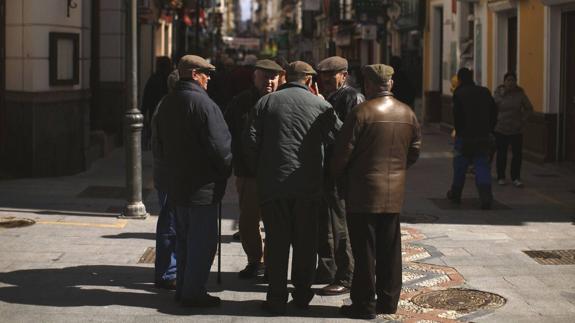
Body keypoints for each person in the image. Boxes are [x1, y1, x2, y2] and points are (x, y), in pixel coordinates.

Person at [244, 61, 341, 315]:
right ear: (309, 81)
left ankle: (276, 297)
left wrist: (263, 171)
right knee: (305, 243)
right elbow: (340, 138)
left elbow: (250, 141)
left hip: (273, 186)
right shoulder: (321, 105)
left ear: (286, 77)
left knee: (276, 243)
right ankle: (301, 295)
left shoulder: (266, 102)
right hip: (308, 186)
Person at [332, 64, 421, 319]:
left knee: (364, 253)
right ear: (390, 84)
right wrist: (397, 171)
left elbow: (343, 154)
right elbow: (414, 151)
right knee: (390, 252)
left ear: (369, 85)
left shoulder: (361, 113)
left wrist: (336, 176)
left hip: (362, 195)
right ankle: (389, 301)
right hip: (393, 195)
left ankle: (363, 305)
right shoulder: (407, 113)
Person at [154, 54, 232, 307]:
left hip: (177, 185)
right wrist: (224, 171)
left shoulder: (167, 102)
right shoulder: (204, 105)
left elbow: (158, 146)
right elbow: (221, 148)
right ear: (194, 74)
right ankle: (193, 292)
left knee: (185, 240)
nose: (209, 78)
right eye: (206, 73)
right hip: (202, 188)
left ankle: (184, 289)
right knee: (203, 243)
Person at [225, 59, 284, 279]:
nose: (269, 81)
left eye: (273, 76)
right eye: (265, 76)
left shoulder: (284, 101)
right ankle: (254, 261)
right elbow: (229, 134)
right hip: (248, 172)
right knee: (249, 220)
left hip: (277, 173)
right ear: (255, 77)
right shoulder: (240, 102)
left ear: (280, 78)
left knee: (275, 221)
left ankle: (271, 263)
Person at [314, 56, 365, 296]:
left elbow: (348, 137)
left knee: (340, 225)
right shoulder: (328, 96)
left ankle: (347, 276)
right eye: (322, 75)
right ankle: (326, 268)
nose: (324, 80)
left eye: (330, 75)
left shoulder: (351, 97)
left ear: (343, 76)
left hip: (341, 172)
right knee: (323, 223)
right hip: (324, 169)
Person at [447, 68, 498, 209]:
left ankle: (456, 194)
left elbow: (457, 116)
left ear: (460, 79)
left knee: (460, 166)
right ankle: (485, 196)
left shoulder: (459, 93)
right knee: (482, 165)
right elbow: (494, 112)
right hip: (483, 135)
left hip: (464, 136)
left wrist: (459, 132)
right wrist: (489, 129)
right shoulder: (484, 92)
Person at [150, 68, 180, 291]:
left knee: (172, 222)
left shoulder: (166, 104)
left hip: (167, 173)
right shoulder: (170, 107)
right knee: (170, 224)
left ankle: (172, 269)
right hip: (170, 174)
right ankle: (167, 272)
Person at [493, 72, 533, 187]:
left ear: (516, 82)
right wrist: (503, 94)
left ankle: (516, 177)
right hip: (501, 128)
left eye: (513, 80)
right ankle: (501, 176)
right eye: (508, 80)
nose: (511, 82)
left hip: (516, 129)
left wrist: (523, 120)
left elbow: (529, 108)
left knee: (517, 155)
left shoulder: (520, 94)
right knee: (502, 153)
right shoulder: (498, 92)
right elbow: (494, 106)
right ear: (504, 82)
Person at [141, 56, 172, 149]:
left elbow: (146, 98)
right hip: (167, 114)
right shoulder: (170, 80)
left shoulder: (153, 79)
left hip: (154, 113)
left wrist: (143, 111)